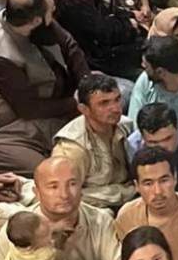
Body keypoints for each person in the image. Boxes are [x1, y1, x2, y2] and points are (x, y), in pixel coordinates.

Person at [0, 0, 89, 175]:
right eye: (51, 12)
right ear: (36, 21)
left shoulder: (33, 18)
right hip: (12, 126)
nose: (53, 14)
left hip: (59, 98)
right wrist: (76, 103)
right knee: (51, 173)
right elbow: (28, 108)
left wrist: (87, 89)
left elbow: (70, 47)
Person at [51, 71, 132, 211]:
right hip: (90, 211)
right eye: (104, 103)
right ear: (84, 109)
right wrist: (123, 192)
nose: (115, 108)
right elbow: (63, 196)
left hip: (129, 202)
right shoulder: (71, 148)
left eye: (117, 99)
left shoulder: (127, 126)